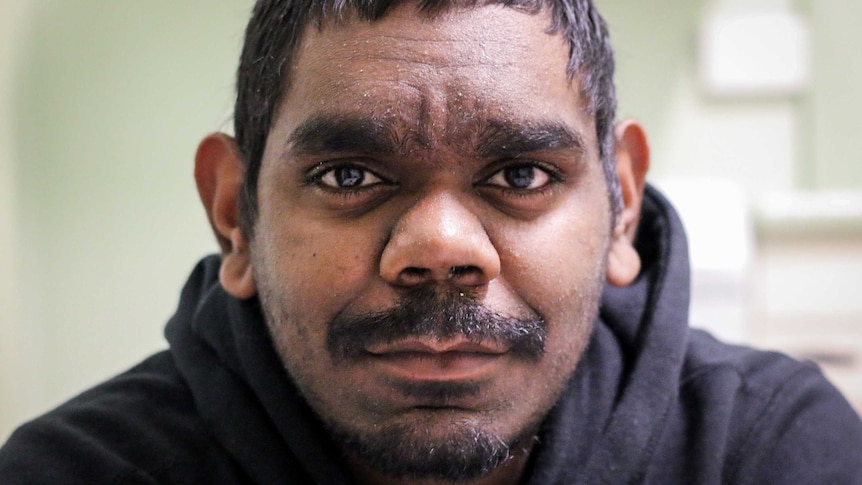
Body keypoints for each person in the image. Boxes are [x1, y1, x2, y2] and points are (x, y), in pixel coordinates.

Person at [2, 0, 862, 483]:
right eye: (349, 175)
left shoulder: (770, 450)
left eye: (522, 174)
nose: (442, 248)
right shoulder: (76, 474)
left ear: (623, 206)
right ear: (234, 214)